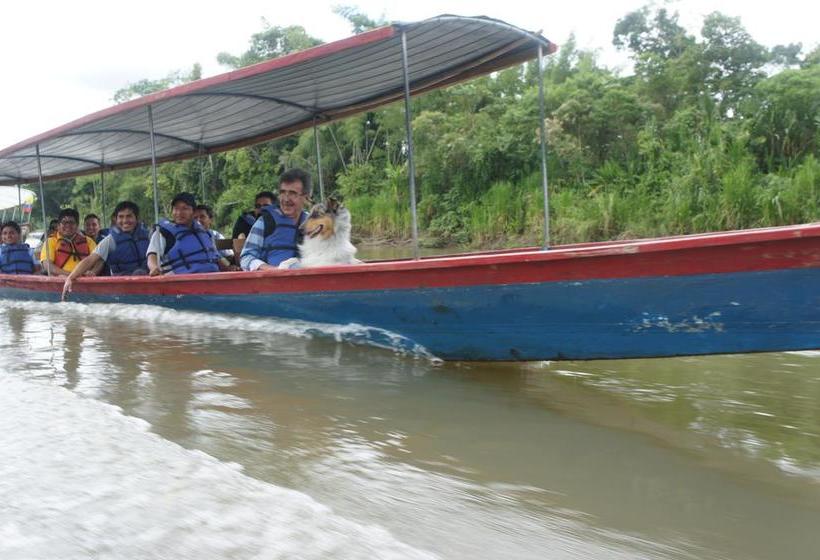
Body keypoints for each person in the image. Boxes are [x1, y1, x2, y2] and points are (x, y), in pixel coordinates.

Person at [62, 201, 151, 299]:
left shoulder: (148, 235)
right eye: (121, 217)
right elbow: (90, 260)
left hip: (147, 279)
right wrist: (70, 277)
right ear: (116, 219)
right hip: (122, 284)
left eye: (129, 216)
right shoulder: (110, 240)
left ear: (137, 218)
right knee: (139, 273)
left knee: (140, 272)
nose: (125, 220)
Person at [240, 168, 311, 271]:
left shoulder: (314, 224)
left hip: (307, 279)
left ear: (306, 197)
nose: (286, 199)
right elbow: (246, 258)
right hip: (272, 279)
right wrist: (273, 270)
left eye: (292, 193)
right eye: (282, 192)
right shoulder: (265, 222)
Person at [146, 192, 228, 276]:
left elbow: (216, 256)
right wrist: (154, 267)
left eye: (185, 208)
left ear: (193, 212)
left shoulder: (203, 232)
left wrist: (229, 267)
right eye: (176, 209)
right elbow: (152, 255)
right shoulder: (164, 233)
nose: (179, 213)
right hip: (181, 280)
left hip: (212, 277)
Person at [40, 208, 97, 276]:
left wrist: (93, 272)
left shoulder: (88, 241)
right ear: (58, 226)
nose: (68, 225)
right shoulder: (50, 241)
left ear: (77, 225)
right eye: (64, 222)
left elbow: (99, 260)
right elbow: (47, 265)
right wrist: (72, 276)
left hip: (86, 280)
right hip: (60, 280)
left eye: (72, 223)